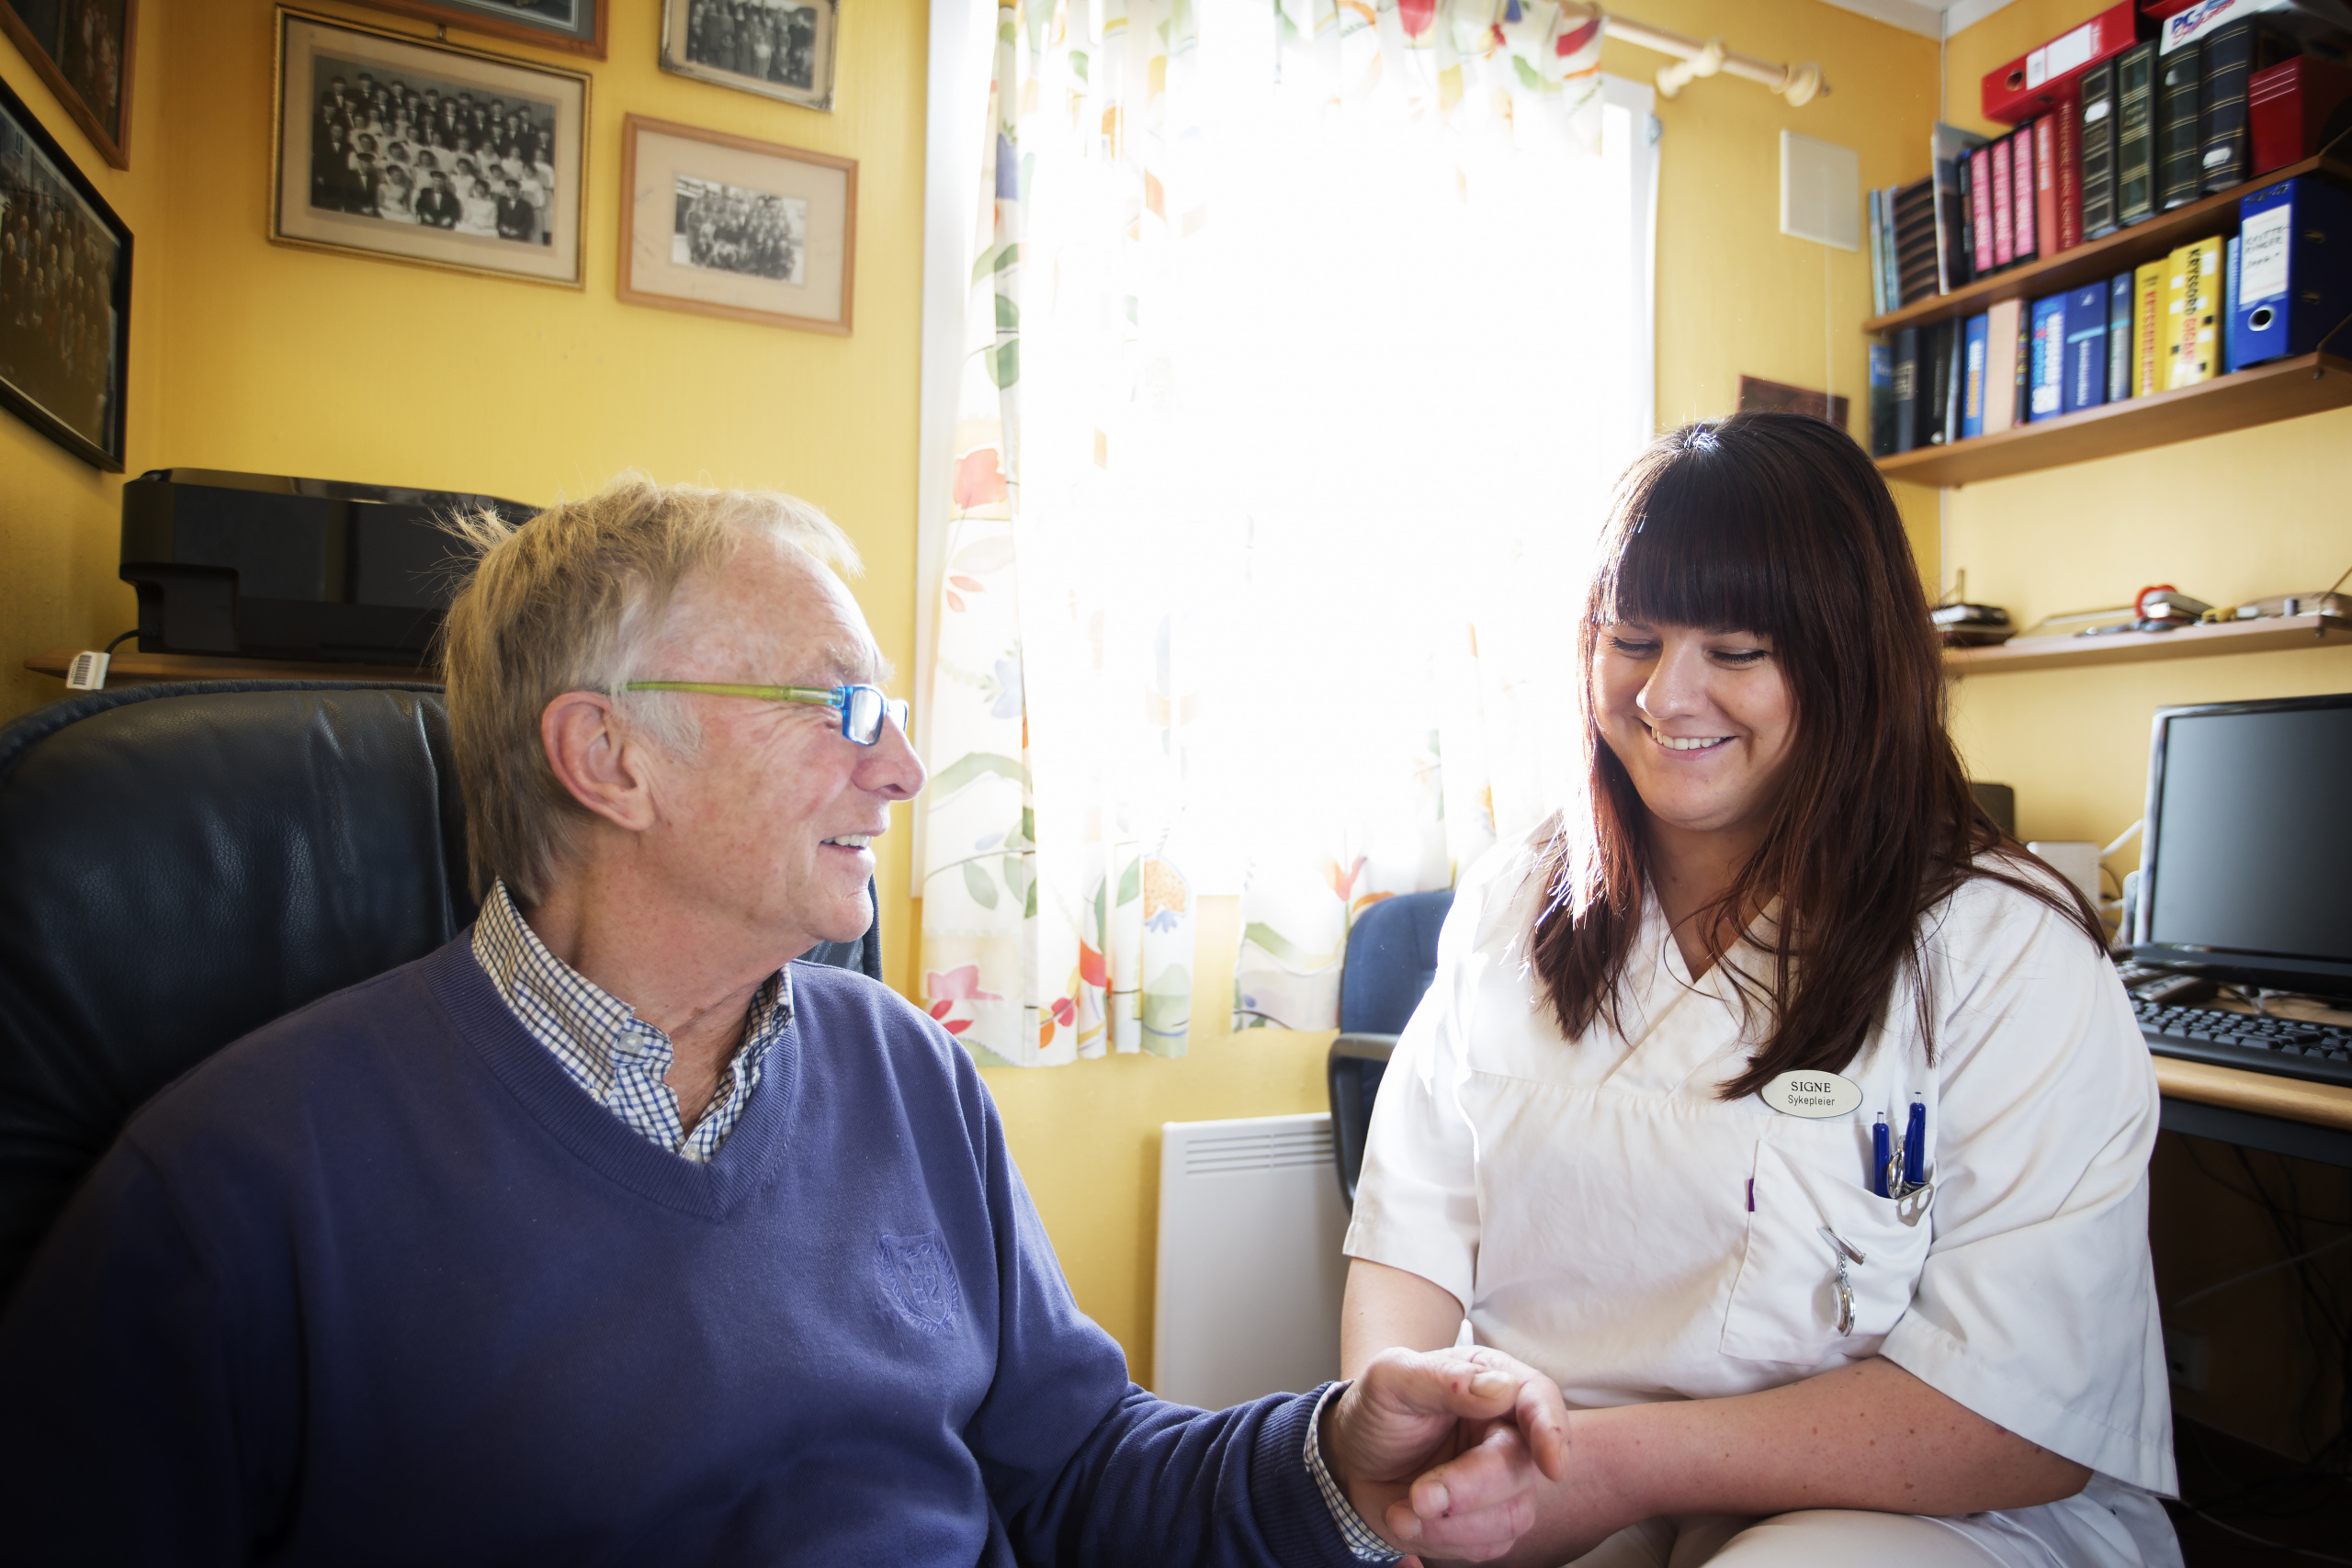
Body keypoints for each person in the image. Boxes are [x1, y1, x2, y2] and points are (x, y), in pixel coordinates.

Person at [0, 476, 1574, 1564]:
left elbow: (1080, 1470)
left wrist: (1332, 1458)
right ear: (610, 758)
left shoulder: (906, 1074)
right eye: (839, 710)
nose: (898, 770)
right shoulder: (229, 1194)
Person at [1340, 413, 2179, 1568]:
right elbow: (1411, 1238)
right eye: (1630, 640)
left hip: (1919, 1513)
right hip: (1568, 1479)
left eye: (1735, 652)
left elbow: (2018, 1420)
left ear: (1848, 665)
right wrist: (1411, 1443)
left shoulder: (1998, 949)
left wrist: (1603, 1466)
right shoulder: (1510, 903)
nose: (1666, 698)